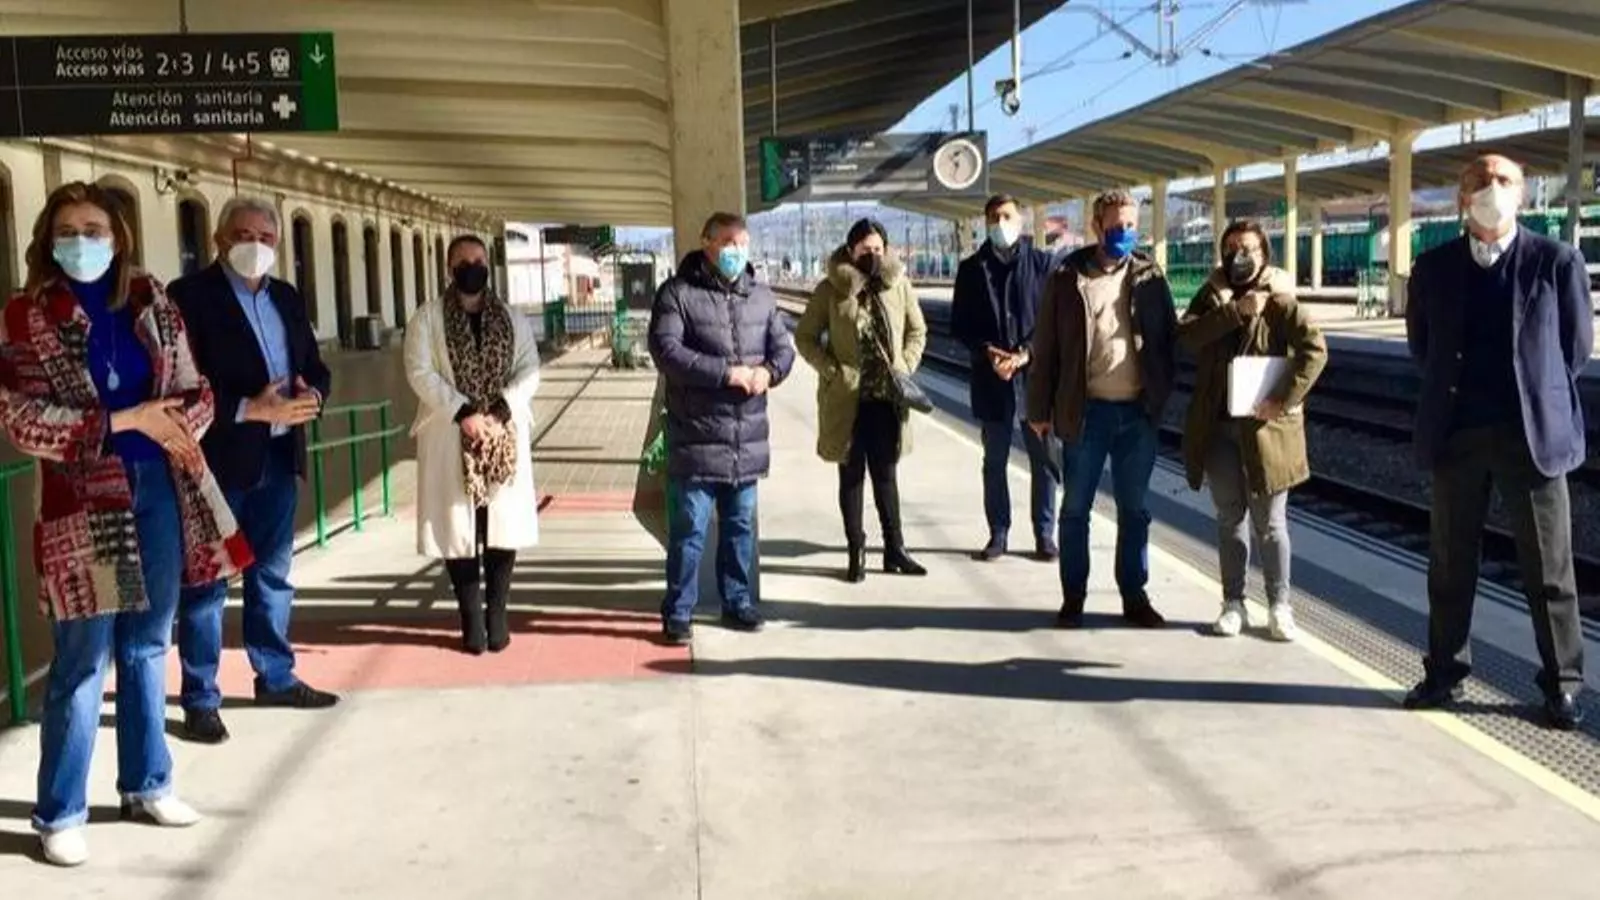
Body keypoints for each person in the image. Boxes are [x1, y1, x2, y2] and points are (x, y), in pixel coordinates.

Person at [0, 182, 253, 866]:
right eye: (68, 230)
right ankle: (61, 812)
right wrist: (123, 421)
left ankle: (148, 783)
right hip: (88, 504)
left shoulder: (150, 299)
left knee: (146, 642)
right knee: (85, 657)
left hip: (158, 491)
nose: (82, 241)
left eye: (95, 229)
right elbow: (20, 417)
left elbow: (197, 388)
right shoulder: (27, 316)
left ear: (118, 238)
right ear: (47, 240)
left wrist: (177, 423)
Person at [1403, 154, 1590, 730]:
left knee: (1549, 570)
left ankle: (1562, 684)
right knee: (1449, 564)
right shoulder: (1433, 268)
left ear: (1523, 194)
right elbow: (1422, 347)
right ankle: (1444, 672)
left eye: (1503, 180)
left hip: (1530, 438)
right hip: (1457, 434)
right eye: (1478, 181)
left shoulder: (1556, 261)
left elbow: (1575, 349)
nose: (1491, 189)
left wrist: (1535, 396)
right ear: (1461, 198)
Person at [170, 196, 337, 746]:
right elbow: (179, 384)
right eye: (244, 235)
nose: (256, 246)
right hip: (216, 465)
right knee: (206, 584)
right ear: (219, 239)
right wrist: (249, 408)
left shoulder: (286, 297)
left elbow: (314, 366)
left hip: (279, 459)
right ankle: (201, 699)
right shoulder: (188, 297)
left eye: (266, 238)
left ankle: (276, 677)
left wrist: (314, 395)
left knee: (273, 575)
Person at [1026, 189, 1177, 629]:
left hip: (1137, 414)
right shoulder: (1066, 277)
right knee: (1075, 510)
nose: (1124, 233)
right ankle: (1074, 596)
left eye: (1130, 226)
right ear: (1096, 226)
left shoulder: (1150, 276)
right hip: (1086, 412)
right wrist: (1038, 409)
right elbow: (1046, 347)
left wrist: (1161, 395)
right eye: (1115, 226)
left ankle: (1135, 596)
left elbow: (1169, 339)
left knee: (1135, 511)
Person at [648, 212, 795, 645]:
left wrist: (769, 372)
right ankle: (678, 611)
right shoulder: (678, 293)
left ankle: (737, 601)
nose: (737, 250)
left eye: (743, 242)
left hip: (745, 439)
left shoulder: (762, 297)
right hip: (696, 436)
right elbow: (666, 350)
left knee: (739, 528)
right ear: (707, 243)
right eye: (729, 242)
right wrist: (726, 373)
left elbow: (784, 349)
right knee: (689, 532)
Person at [1177, 220, 1327, 641]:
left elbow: (1315, 350)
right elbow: (1187, 337)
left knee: (1270, 523)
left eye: (1247, 248)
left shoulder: (1281, 299)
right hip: (1219, 429)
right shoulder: (1211, 295)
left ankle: (1280, 605)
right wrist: (1234, 312)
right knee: (1230, 519)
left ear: (1264, 253)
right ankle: (1233, 603)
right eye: (1230, 248)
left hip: (1266, 430)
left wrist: (1284, 398)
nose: (1238, 256)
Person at [405, 234, 541, 654]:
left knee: (500, 528)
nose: (472, 267)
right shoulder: (427, 318)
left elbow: (530, 369)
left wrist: (500, 412)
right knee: (459, 530)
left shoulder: (512, 318)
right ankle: (470, 621)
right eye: (463, 261)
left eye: (478, 260)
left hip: (502, 434)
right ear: (450, 268)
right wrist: (462, 412)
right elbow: (419, 371)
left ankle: (497, 615)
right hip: (451, 432)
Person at [796, 218, 930, 582]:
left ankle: (895, 549)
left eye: (877, 249)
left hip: (887, 398)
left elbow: (917, 330)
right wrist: (831, 371)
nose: (872, 255)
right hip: (846, 400)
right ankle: (856, 550)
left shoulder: (898, 285)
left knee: (886, 475)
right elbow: (805, 337)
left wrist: (905, 366)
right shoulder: (831, 290)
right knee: (851, 476)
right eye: (865, 249)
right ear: (850, 250)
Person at [950, 194, 1061, 562]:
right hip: (991, 378)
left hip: (1035, 381)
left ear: (1021, 219)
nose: (1001, 223)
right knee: (994, 460)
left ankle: (1044, 534)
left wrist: (1027, 352)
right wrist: (987, 351)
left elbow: (1054, 320)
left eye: (1007, 216)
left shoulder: (1043, 265)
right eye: (994, 218)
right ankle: (998, 532)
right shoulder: (971, 269)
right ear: (985, 223)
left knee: (1043, 459)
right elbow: (960, 325)